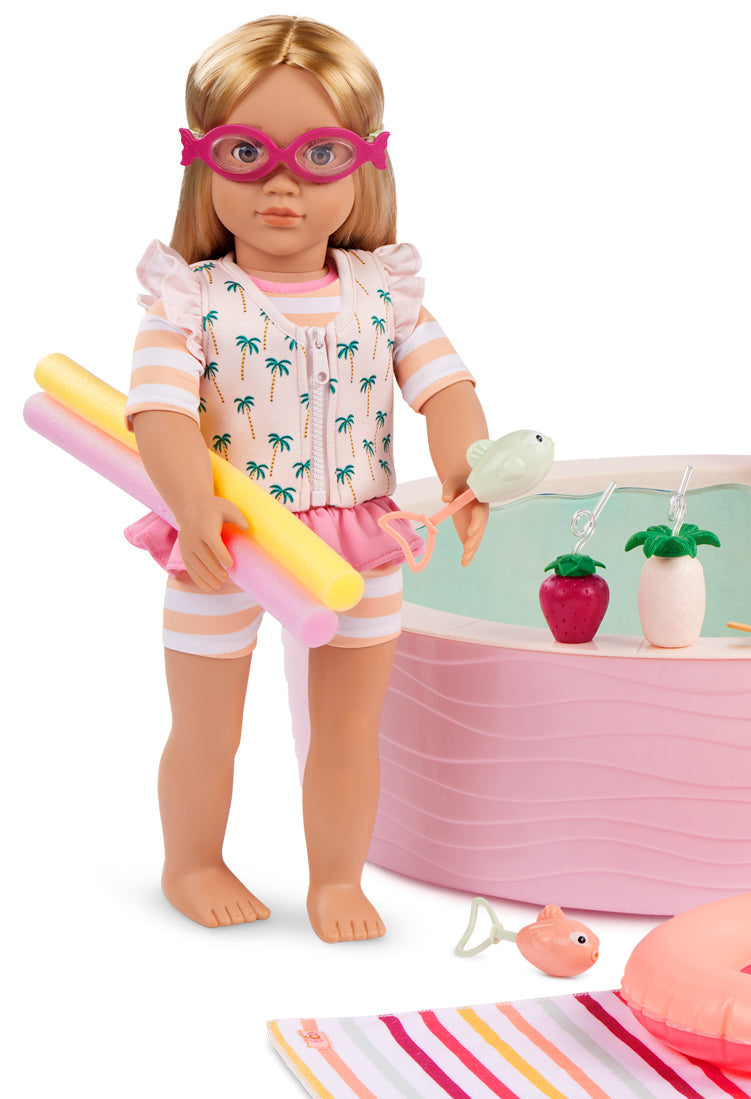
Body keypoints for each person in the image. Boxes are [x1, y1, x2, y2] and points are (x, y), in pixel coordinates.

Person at [125, 16, 489, 942]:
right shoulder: (189, 300)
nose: (281, 184)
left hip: (361, 543)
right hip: (228, 538)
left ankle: (336, 880)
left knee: (350, 725)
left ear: (365, 163)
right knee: (207, 724)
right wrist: (192, 503)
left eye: (319, 155)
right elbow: (159, 413)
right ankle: (192, 861)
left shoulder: (385, 293)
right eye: (247, 153)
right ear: (203, 161)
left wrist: (466, 470)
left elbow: (447, 389)